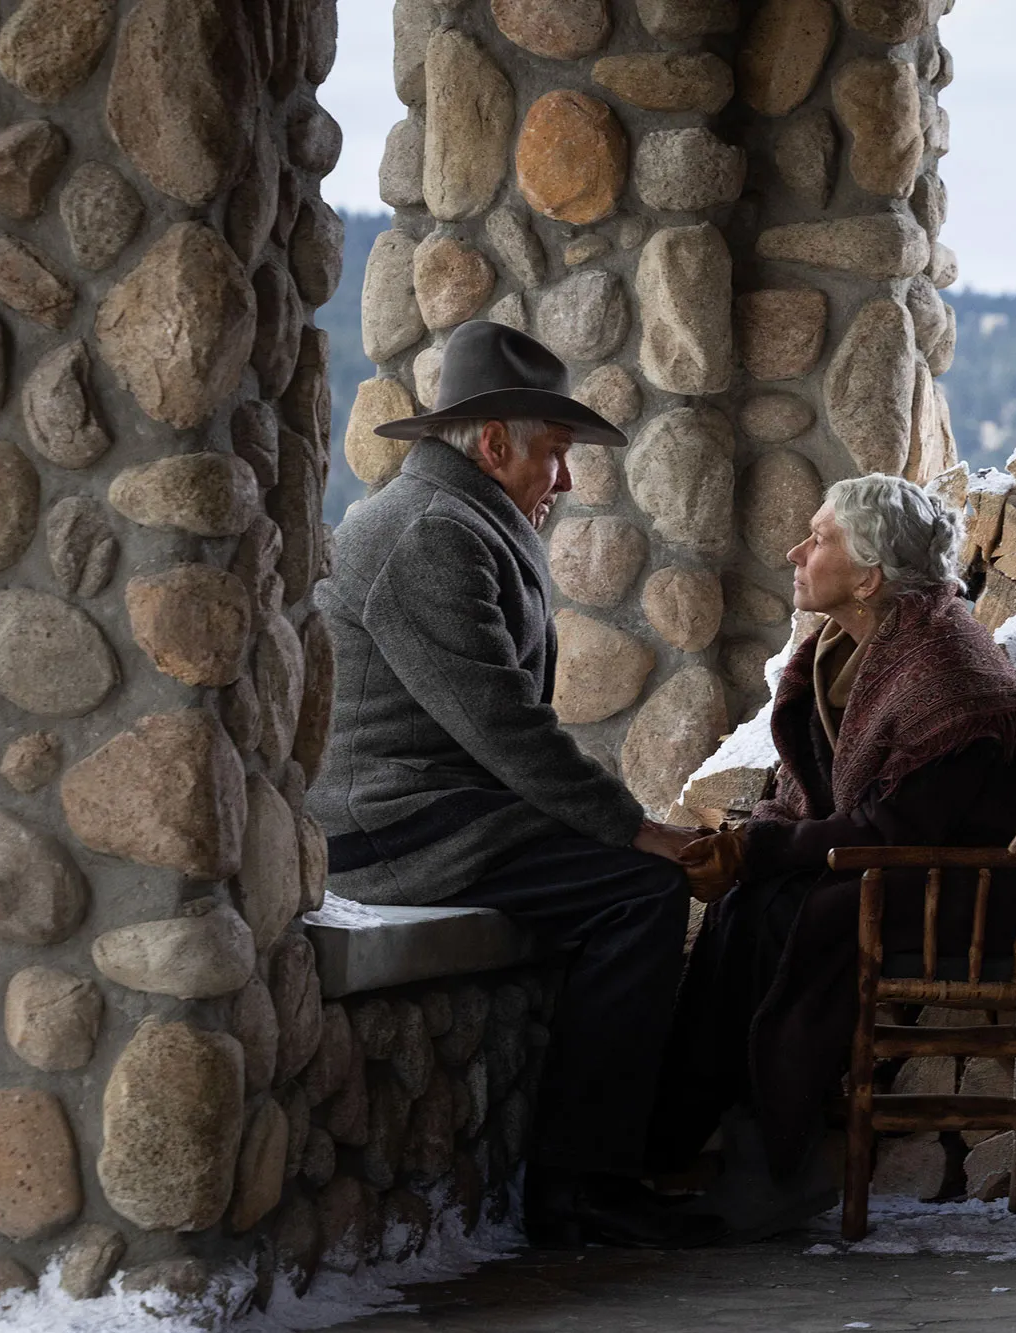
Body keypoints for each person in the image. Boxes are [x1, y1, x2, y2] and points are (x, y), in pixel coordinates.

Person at [307, 321, 722, 1250]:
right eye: (555, 453)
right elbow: (504, 727)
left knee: (626, 884)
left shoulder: (462, 519)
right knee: (638, 892)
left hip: (442, 816)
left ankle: (613, 1158)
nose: (565, 480)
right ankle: (581, 1185)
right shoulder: (428, 533)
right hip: (394, 832)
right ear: (494, 444)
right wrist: (631, 830)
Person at [650, 475, 1016, 1222]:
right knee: (752, 903)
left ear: (870, 576)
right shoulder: (849, 646)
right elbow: (826, 795)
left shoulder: (946, 669)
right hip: (909, 867)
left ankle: (780, 1167)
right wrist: (751, 849)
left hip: (981, 893)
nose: (795, 550)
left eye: (820, 538)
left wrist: (762, 850)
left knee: (791, 911)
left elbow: (895, 830)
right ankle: (687, 1146)